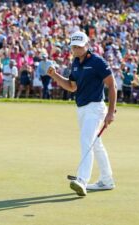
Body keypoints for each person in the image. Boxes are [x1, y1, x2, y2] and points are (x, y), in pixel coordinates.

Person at [47, 31, 117, 197]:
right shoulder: (75, 63)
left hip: (96, 108)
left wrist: (111, 112)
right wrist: (55, 75)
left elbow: (112, 85)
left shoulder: (98, 62)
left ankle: (82, 181)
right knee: (96, 144)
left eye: (80, 46)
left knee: (86, 141)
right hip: (81, 109)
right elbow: (72, 87)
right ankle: (107, 180)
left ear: (87, 45)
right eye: (74, 46)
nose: (77, 49)